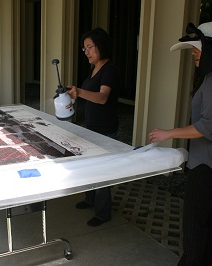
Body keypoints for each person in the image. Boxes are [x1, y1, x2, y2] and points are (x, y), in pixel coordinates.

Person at [148, 22, 212, 266]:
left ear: (211, 51)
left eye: (198, 48)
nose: (194, 53)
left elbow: (207, 127)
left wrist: (168, 133)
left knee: (195, 227)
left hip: (208, 166)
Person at [67, 27, 120, 227]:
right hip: (91, 126)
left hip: (105, 129)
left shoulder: (110, 69)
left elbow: (102, 97)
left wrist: (79, 92)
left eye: (89, 47)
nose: (86, 52)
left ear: (101, 46)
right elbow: (88, 95)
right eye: (84, 48)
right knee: (90, 166)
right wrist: (73, 94)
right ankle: (90, 200)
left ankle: (103, 212)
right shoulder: (94, 68)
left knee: (102, 172)